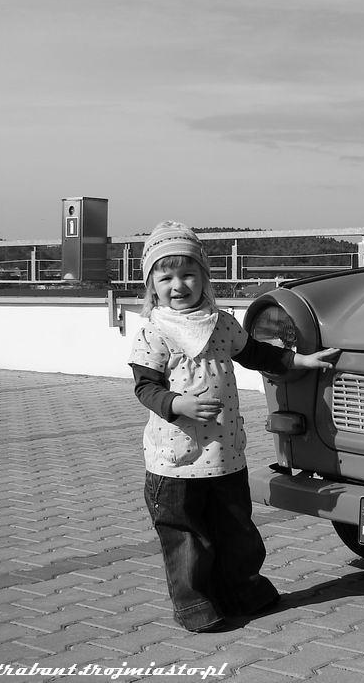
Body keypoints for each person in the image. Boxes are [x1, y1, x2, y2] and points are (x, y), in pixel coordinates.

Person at [128, 221, 339, 632]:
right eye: (166, 277)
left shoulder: (221, 323)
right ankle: (195, 605)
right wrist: (178, 404)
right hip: (176, 461)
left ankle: (243, 591)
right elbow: (145, 388)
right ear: (152, 285)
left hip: (225, 454)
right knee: (187, 537)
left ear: (204, 277)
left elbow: (257, 353)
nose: (178, 285)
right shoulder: (154, 332)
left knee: (237, 531)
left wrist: (299, 361)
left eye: (188, 274)